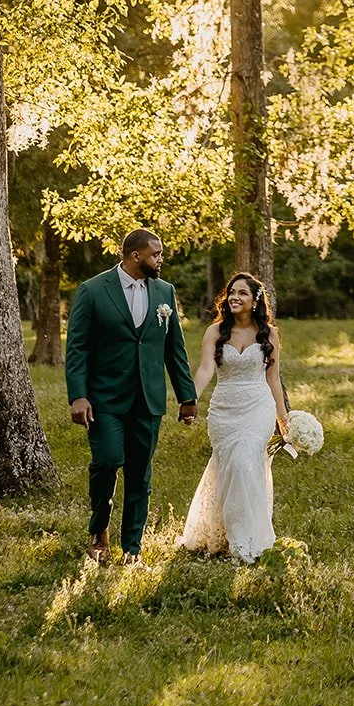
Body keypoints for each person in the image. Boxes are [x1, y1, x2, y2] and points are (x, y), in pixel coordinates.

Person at [65, 228, 197, 564]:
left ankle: (132, 548)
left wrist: (187, 397)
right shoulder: (93, 290)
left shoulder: (165, 291)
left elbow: (175, 349)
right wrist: (78, 395)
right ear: (135, 256)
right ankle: (98, 531)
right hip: (105, 398)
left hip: (148, 399)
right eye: (156, 254)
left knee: (140, 474)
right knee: (107, 462)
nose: (161, 259)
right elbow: (77, 347)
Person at [180, 272, 289, 564]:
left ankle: (247, 541)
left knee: (243, 462)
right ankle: (222, 533)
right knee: (228, 466)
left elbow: (273, 379)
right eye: (231, 292)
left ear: (255, 301)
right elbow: (205, 369)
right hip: (224, 410)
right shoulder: (215, 332)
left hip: (258, 407)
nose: (235, 297)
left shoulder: (268, 334)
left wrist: (283, 419)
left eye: (242, 293)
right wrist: (191, 400)